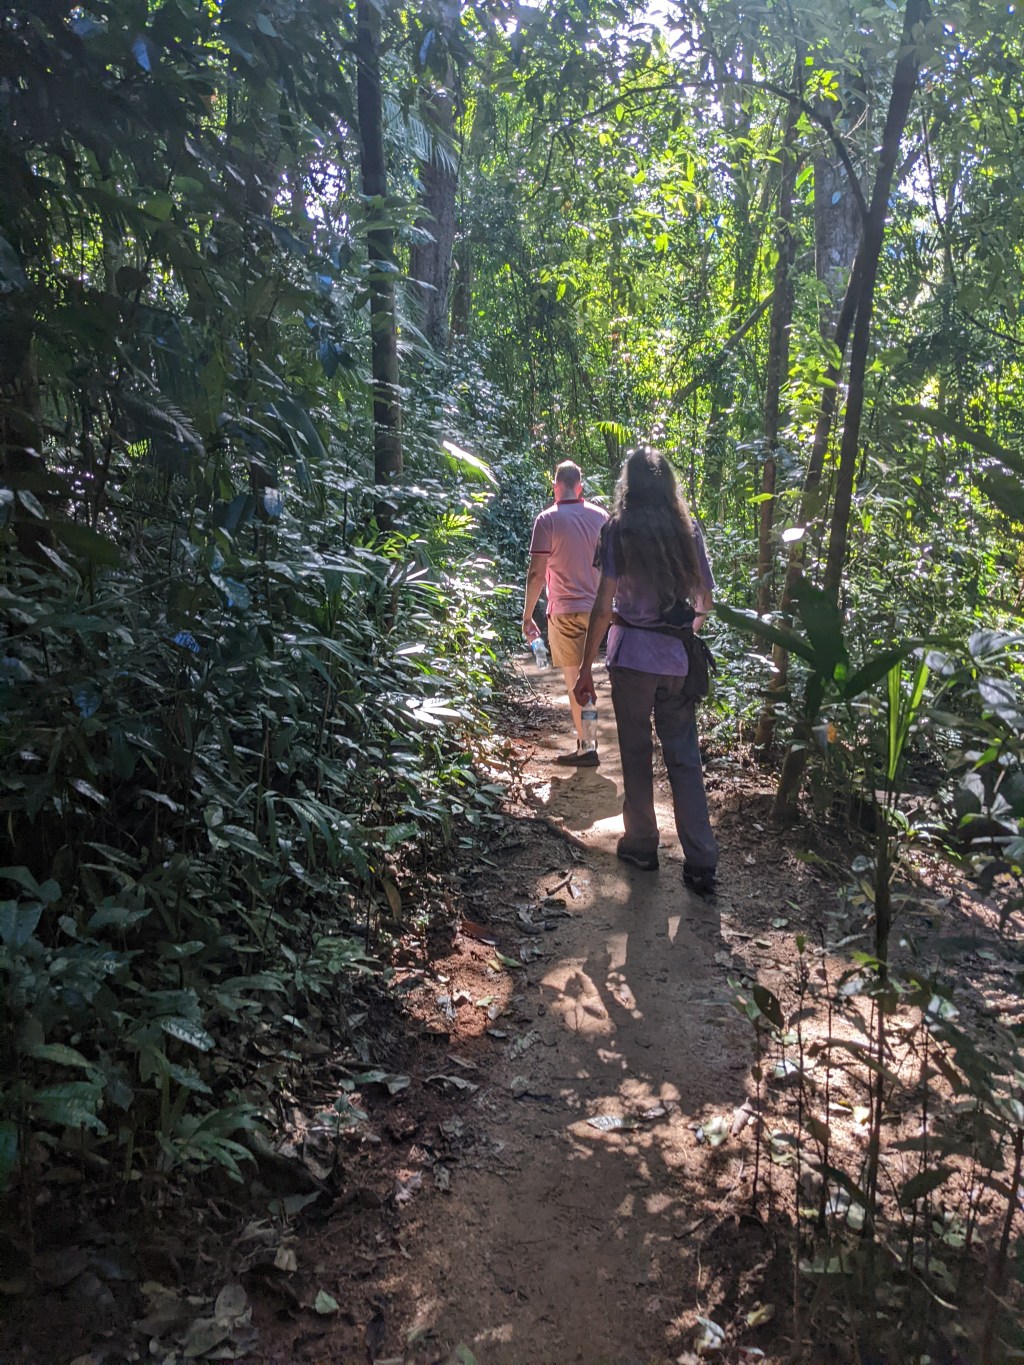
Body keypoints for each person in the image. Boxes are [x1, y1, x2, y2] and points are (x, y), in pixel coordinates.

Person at [573, 447, 718, 893]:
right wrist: (680, 631)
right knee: (684, 759)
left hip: (631, 658)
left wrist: (584, 668)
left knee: (636, 754)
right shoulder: (687, 531)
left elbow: (603, 605)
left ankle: (642, 844)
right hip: (676, 662)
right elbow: (705, 603)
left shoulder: (617, 530)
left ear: (629, 486)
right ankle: (701, 860)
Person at [523, 460, 609, 766]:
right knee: (588, 676)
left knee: (576, 679)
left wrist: (527, 615)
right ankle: (588, 743)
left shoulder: (546, 520)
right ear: (581, 487)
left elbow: (536, 574)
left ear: (556, 487)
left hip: (566, 612)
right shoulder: (602, 517)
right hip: (600, 611)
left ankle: (588, 747)